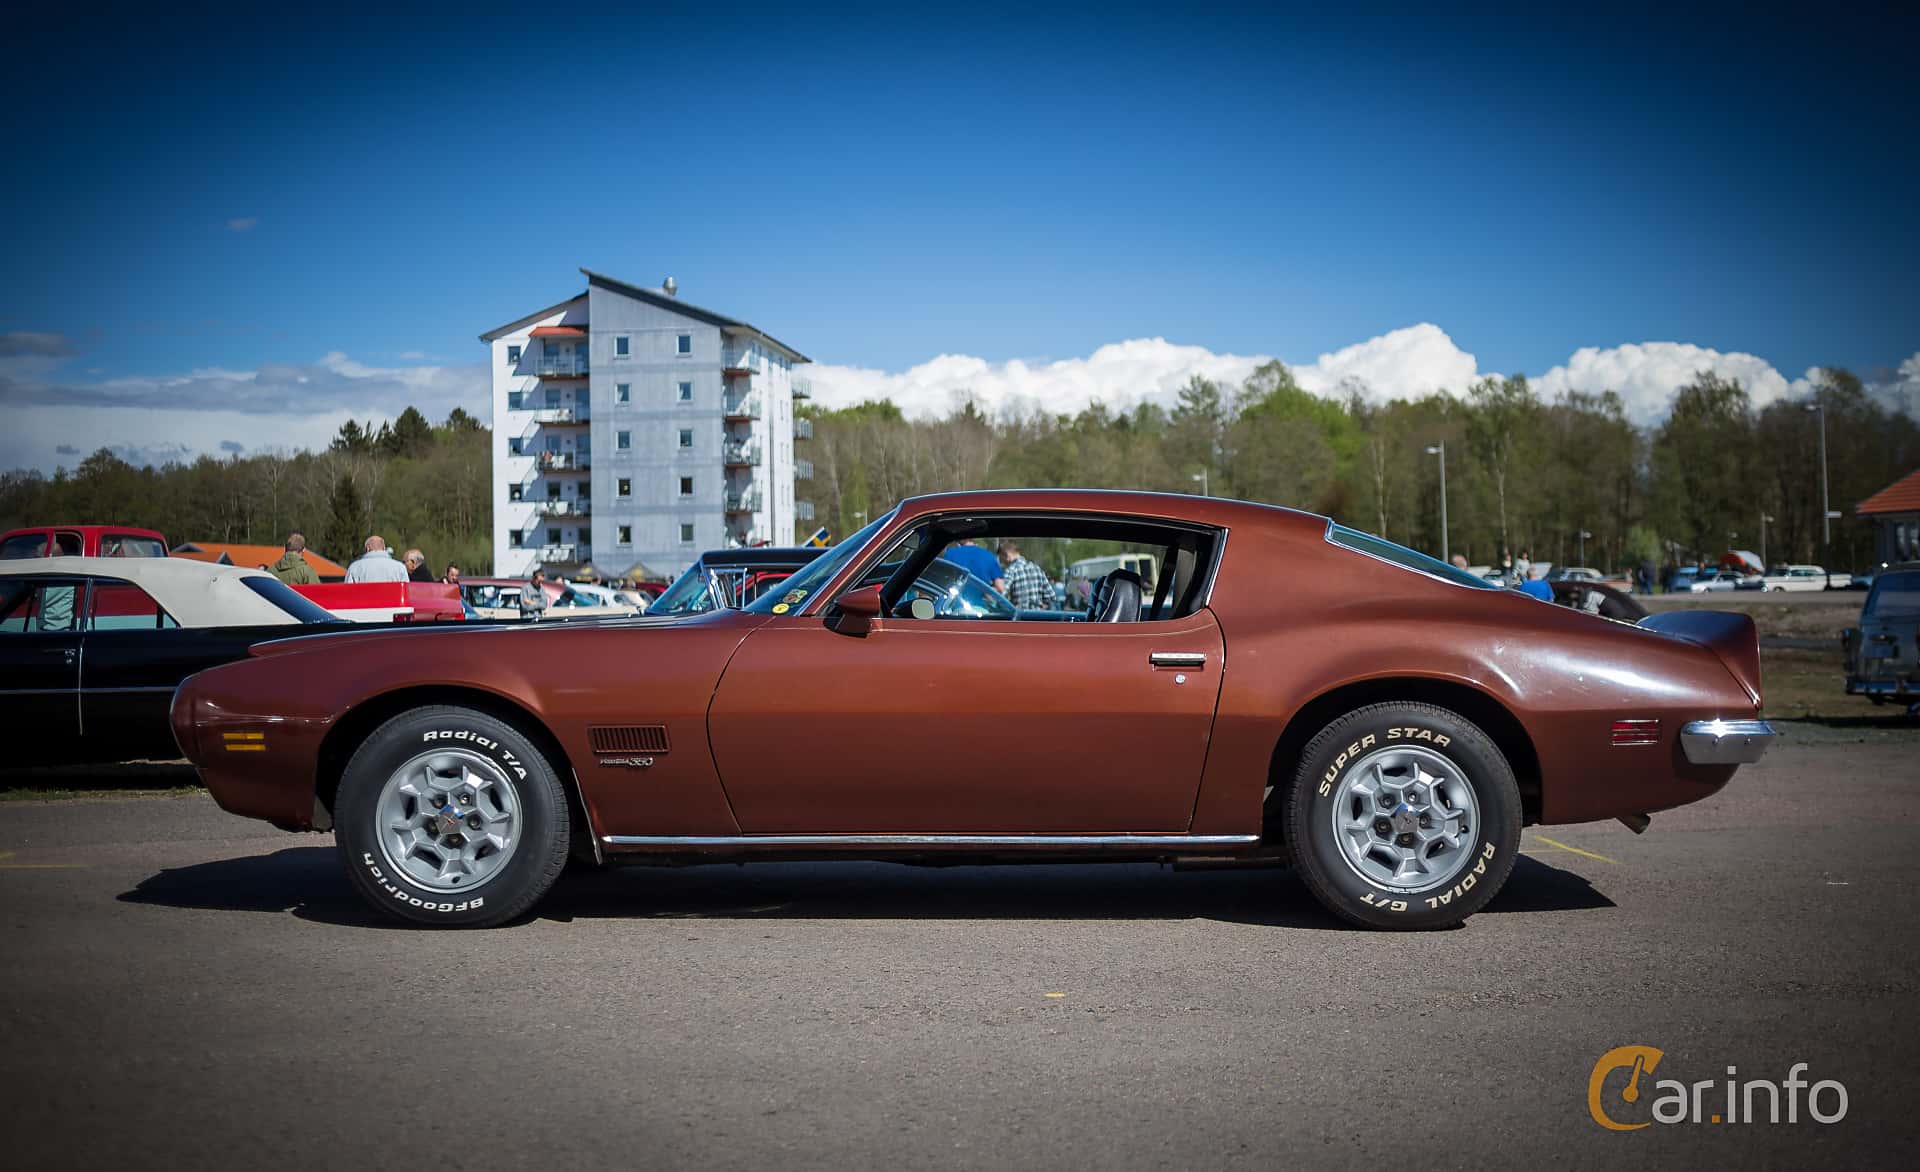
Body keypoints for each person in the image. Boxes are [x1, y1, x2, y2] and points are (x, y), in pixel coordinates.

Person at [997, 540, 1053, 609]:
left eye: (1001, 559)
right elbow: (1050, 596)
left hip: (1019, 617)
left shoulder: (1011, 570)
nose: (1002, 563)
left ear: (1006, 555)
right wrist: (1038, 610)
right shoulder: (1037, 568)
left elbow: (1001, 596)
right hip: (1038, 616)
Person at [941, 537, 1006, 594]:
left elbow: (941, 578)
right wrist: (984, 593)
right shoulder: (990, 557)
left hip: (950, 600)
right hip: (976, 605)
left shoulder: (950, 553)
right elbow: (1000, 588)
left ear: (958, 542)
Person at [345, 535, 410, 583]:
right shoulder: (400, 567)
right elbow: (406, 591)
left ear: (367, 549)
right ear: (384, 548)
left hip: (364, 601)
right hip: (392, 601)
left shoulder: (354, 567)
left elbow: (348, 592)